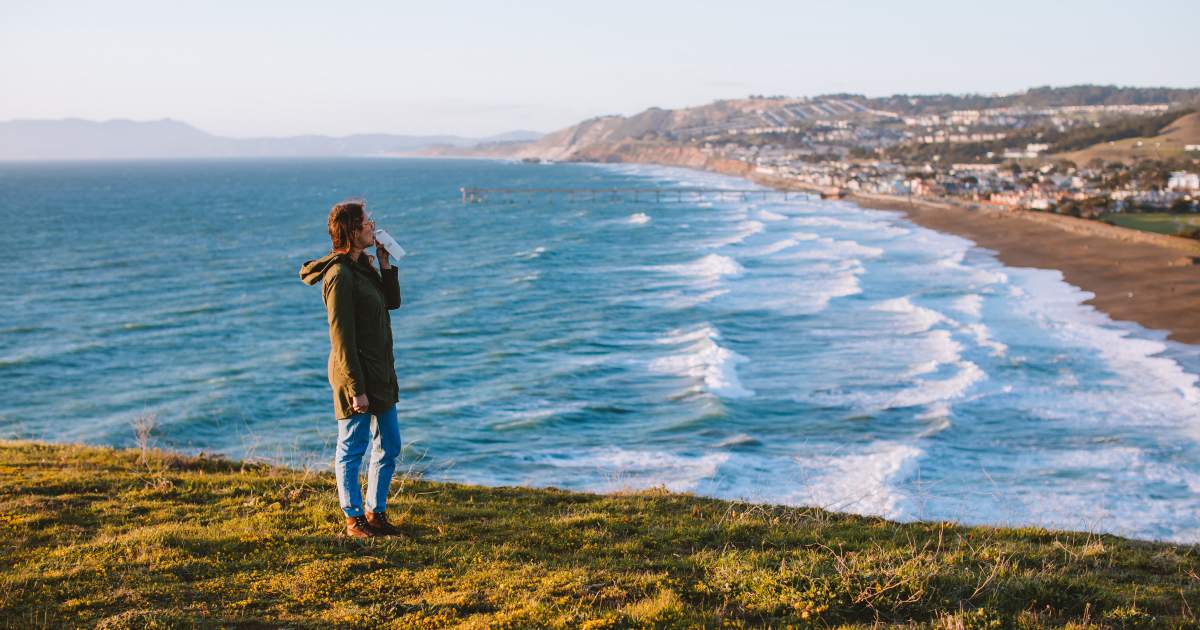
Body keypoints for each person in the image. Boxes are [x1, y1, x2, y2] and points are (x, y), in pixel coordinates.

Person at [300, 200, 404, 538]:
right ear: (352, 231)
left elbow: (391, 303)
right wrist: (355, 388)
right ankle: (353, 517)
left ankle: (376, 512)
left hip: (379, 370)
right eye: (366, 222)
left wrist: (385, 264)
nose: (373, 226)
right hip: (354, 373)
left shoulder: (362, 266)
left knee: (390, 443)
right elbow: (341, 337)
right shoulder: (340, 276)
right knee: (352, 446)